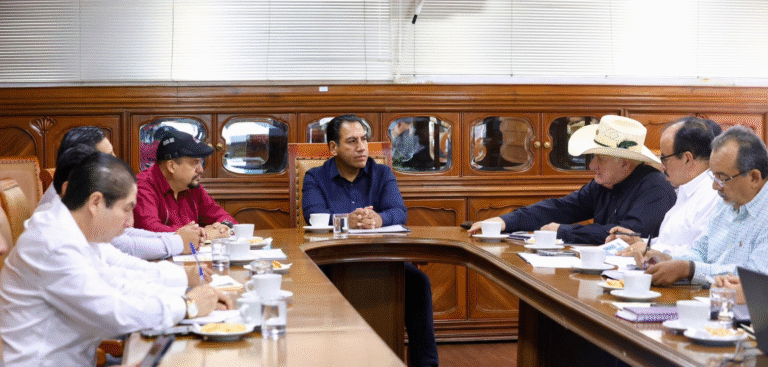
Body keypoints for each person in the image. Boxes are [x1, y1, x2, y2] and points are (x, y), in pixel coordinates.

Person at [0, 152, 231, 367]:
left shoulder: (75, 229)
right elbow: (113, 311)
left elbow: (120, 274)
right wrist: (188, 305)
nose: (130, 222)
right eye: (127, 209)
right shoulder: (53, 244)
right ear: (96, 202)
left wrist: (185, 288)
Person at [302, 115, 438, 367]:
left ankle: (425, 364)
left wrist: (378, 218)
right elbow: (313, 215)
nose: (362, 147)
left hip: (382, 260)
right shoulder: (315, 177)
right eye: (352, 141)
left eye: (364, 139)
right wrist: (347, 221)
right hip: (333, 264)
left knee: (418, 282)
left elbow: (399, 211)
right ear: (333, 148)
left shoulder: (382, 173)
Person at [469, 115, 676, 244]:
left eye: (600, 159)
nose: (592, 165)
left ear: (625, 164)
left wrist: (564, 231)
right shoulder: (603, 184)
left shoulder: (656, 189)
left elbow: (627, 234)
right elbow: (560, 208)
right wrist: (504, 220)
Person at [38, 126, 205, 260]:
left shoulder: (83, 191)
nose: (116, 159)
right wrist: (178, 241)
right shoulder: (58, 217)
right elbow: (124, 246)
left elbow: (121, 244)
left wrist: (177, 236)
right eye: (109, 155)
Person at [637, 126, 768, 286]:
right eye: (714, 176)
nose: (714, 186)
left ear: (754, 177)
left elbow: (755, 277)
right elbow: (700, 251)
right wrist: (667, 259)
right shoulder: (727, 203)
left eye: (722, 178)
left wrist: (690, 269)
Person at [609, 117, 722, 256]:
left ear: (687, 158)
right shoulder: (686, 188)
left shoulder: (715, 195)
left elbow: (701, 255)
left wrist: (649, 250)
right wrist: (640, 242)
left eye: (664, 158)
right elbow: (671, 243)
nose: (662, 167)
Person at [133, 127, 236, 240]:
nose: (201, 169)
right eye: (195, 162)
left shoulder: (191, 186)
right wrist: (202, 234)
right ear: (171, 166)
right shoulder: (142, 186)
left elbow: (222, 216)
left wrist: (225, 226)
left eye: (200, 162)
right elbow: (150, 231)